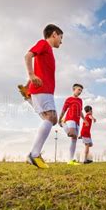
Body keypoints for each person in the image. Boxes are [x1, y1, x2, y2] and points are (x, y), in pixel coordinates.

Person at [23, 24, 63, 169]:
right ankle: (34, 155)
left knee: (53, 119)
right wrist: (31, 75)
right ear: (54, 34)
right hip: (43, 89)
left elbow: (41, 68)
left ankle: (29, 98)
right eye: (60, 37)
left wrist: (30, 82)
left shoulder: (49, 51)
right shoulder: (43, 44)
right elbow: (28, 56)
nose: (61, 41)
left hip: (43, 90)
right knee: (50, 118)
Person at [59, 83, 84, 165]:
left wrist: (84, 120)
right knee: (72, 134)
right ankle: (63, 123)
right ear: (74, 89)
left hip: (77, 121)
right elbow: (64, 110)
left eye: (81, 90)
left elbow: (80, 111)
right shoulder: (69, 99)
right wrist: (60, 119)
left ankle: (70, 160)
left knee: (74, 140)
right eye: (78, 90)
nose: (80, 91)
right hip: (70, 118)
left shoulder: (80, 100)